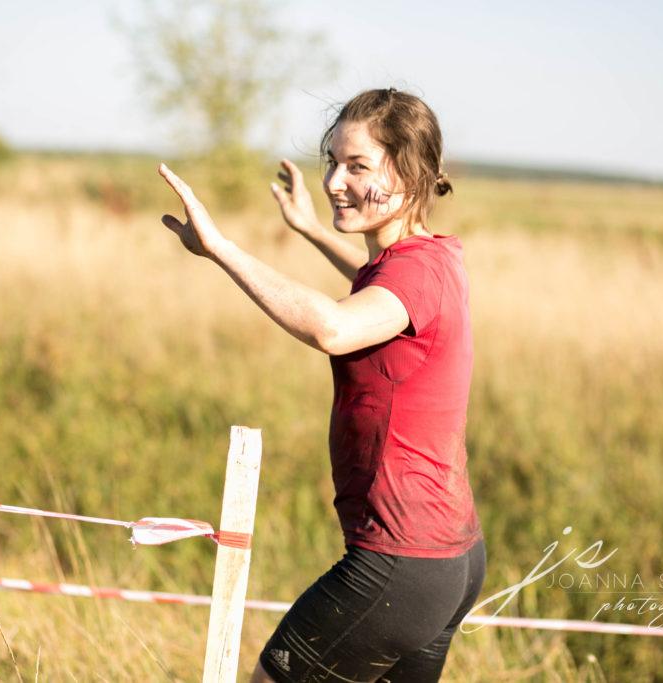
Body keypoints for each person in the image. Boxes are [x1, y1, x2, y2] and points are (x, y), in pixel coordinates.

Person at [158, 88, 485, 683]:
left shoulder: (414, 271)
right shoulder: (433, 257)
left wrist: (221, 250)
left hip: (398, 564)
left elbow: (333, 328)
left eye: (358, 166)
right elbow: (374, 284)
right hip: (449, 561)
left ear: (411, 174)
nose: (336, 179)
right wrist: (309, 228)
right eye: (332, 161)